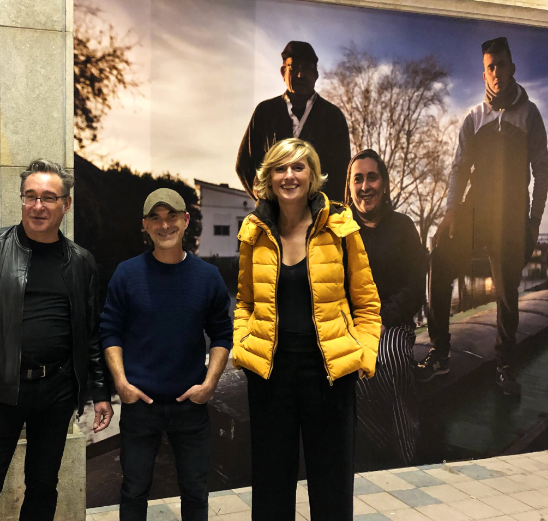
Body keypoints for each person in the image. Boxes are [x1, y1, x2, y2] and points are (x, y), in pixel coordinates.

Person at [0, 159, 113, 521]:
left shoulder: (81, 262)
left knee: (42, 487)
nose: (38, 206)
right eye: (31, 196)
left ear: (65, 205)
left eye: (49, 198)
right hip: (1, 389)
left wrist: (97, 391)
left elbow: (91, 333)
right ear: (22, 200)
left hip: (56, 392)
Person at [233, 138, 381, 521]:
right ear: (269, 177)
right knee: (270, 486)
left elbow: (367, 303)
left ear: (313, 175)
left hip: (328, 375)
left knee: (331, 487)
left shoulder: (340, 226)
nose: (289, 176)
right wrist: (242, 346)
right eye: (280, 168)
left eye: (299, 167)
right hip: (270, 375)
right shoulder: (254, 231)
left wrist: (362, 353)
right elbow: (245, 302)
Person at [418, 37, 548, 396]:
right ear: (484, 72)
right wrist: (450, 212)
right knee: (440, 263)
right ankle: (440, 354)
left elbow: (542, 172)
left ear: (512, 67)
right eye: (490, 67)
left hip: (511, 218)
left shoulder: (531, 114)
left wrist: (533, 223)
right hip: (474, 213)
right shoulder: (474, 118)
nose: (496, 73)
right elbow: (459, 168)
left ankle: (505, 367)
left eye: (502, 64)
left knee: (507, 295)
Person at [99, 188, 233, 521]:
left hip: (190, 404)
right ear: (145, 226)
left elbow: (222, 334)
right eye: (155, 218)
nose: (164, 225)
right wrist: (121, 383)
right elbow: (109, 331)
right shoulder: (127, 274)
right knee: (133, 490)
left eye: (172, 216)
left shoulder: (207, 277)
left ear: (186, 220)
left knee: (195, 490)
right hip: (139, 404)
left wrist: (209, 385)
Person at [345, 149, 426, 466]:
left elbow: (416, 284)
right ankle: (380, 446)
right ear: (350, 187)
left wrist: (380, 320)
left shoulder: (404, 227)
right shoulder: (340, 232)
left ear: (385, 183)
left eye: (372, 177)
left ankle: (408, 451)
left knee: (389, 358)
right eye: (358, 179)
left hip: (394, 325)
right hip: (352, 327)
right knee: (346, 373)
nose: (365, 186)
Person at [235, 40, 351, 200]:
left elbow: (343, 174)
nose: (300, 75)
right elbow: (244, 165)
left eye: (307, 69)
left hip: (318, 219)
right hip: (276, 220)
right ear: (283, 72)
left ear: (316, 75)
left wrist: (323, 214)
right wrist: (266, 203)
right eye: (294, 67)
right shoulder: (265, 112)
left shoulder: (332, 116)